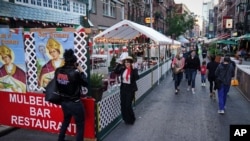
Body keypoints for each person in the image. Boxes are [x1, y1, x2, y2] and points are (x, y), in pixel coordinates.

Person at [55, 49, 88, 141]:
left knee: (66, 121)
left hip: (64, 102)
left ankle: (60, 139)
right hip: (75, 103)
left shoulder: (58, 71)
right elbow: (85, 83)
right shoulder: (76, 73)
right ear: (74, 62)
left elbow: (56, 85)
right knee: (80, 125)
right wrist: (81, 70)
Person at [114, 56, 139, 125]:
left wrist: (134, 69)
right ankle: (125, 118)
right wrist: (119, 64)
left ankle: (132, 118)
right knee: (123, 104)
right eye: (125, 62)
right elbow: (115, 71)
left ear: (131, 63)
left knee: (128, 105)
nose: (127, 64)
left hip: (130, 89)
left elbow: (137, 77)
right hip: (123, 88)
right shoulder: (122, 69)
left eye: (128, 62)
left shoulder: (133, 69)